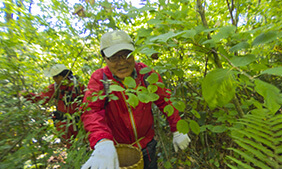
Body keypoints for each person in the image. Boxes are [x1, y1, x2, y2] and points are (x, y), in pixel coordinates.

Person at [81, 30, 191, 169]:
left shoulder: (146, 74)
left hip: (147, 145)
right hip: (118, 150)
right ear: (105, 58)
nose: (121, 62)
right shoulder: (100, 79)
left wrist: (177, 128)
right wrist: (102, 140)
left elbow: (165, 100)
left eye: (126, 55)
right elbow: (91, 111)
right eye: (114, 58)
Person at [22, 64, 85, 148]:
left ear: (65, 75)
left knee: (83, 144)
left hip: (79, 122)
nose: (54, 79)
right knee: (70, 147)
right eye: (53, 77)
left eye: (56, 77)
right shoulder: (53, 88)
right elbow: (41, 99)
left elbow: (87, 101)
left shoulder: (78, 86)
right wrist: (27, 95)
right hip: (63, 123)